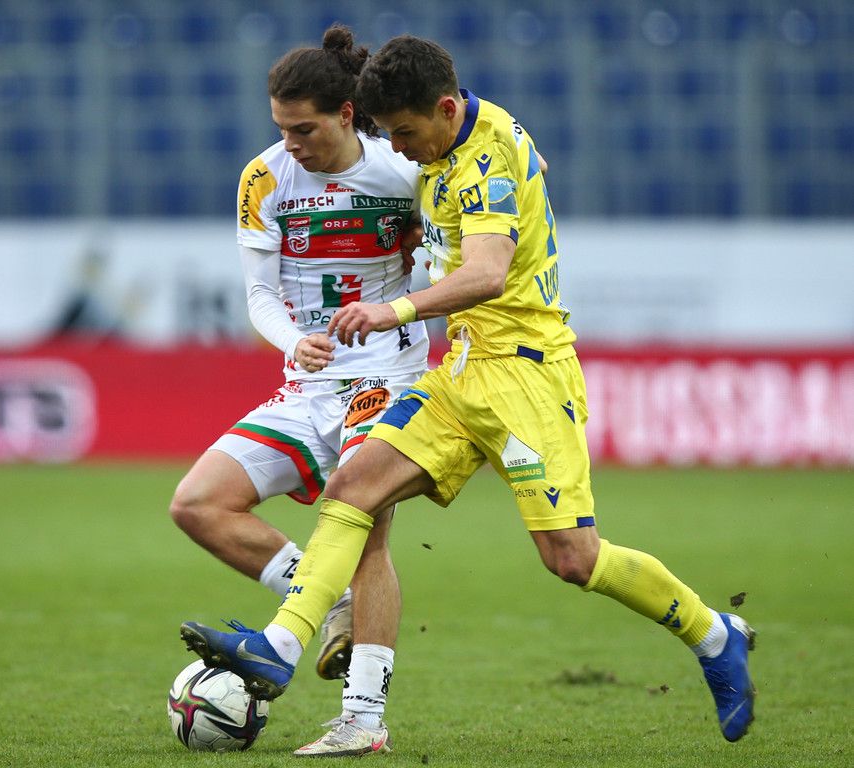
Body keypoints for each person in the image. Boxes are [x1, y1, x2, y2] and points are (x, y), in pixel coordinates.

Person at [178, 33, 758, 750]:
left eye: (406, 134)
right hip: (462, 370)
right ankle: (284, 649)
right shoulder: (453, 146)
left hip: (526, 375)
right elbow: (524, 163)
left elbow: (486, 274)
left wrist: (391, 310)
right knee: (355, 489)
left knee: (572, 558)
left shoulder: (482, 160)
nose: (401, 149)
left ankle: (713, 633)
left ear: (446, 110)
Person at [172, 26, 428, 757]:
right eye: (281, 128)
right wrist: (293, 341)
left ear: (347, 115)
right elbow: (259, 296)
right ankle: (326, 594)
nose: (290, 144)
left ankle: (364, 719)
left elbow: (444, 265)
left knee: (365, 523)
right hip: (307, 382)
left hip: (386, 376)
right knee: (197, 503)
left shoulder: (401, 172)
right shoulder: (265, 178)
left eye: (304, 129)